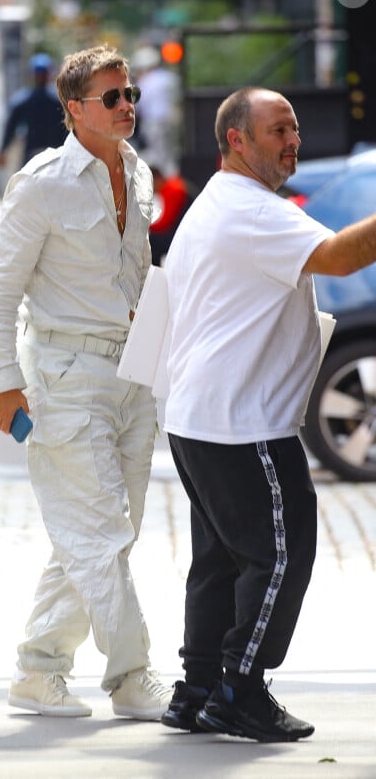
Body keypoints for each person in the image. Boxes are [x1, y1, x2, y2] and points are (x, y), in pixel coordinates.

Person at [160, 86, 376, 742]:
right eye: (277, 130)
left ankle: (197, 689)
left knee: (223, 560)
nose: (292, 141)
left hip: (202, 416)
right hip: (243, 423)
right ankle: (239, 690)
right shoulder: (250, 210)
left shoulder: (221, 203)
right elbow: (341, 256)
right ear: (237, 140)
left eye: (295, 129)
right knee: (282, 555)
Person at [0, 44, 172, 720]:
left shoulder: (140, 173)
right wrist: (2, 382)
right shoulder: (41, 184)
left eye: (131, 96)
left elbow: (140, 277)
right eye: (112, 98)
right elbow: (0, 291)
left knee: (104, 531)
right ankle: (131, 677)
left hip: (133, 372)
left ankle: (37, 672)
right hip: (64, 375)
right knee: (98, 532)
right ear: (73, 110)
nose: (127, 107)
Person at [0, 53, 67, 170]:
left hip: (32, 156)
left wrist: (3, 151)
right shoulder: (60, 101)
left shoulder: (23, 100)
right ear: (49, 74)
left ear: (32, 75)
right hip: (57, 156)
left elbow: (10, 127)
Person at [131, 46, 180, 176]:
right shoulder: (169, 78)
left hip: (154, 123)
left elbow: (138, 106)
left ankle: (167, 182)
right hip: (171, 121)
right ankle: (173, 178)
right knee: (171, 154)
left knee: (159, 156)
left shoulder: (145, 82)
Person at [149, 165, 190, 266]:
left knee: (152, 241)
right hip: (180, 231)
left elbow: (166, 222)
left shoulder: (173, 189)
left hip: (182, 236)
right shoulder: (171, 187)